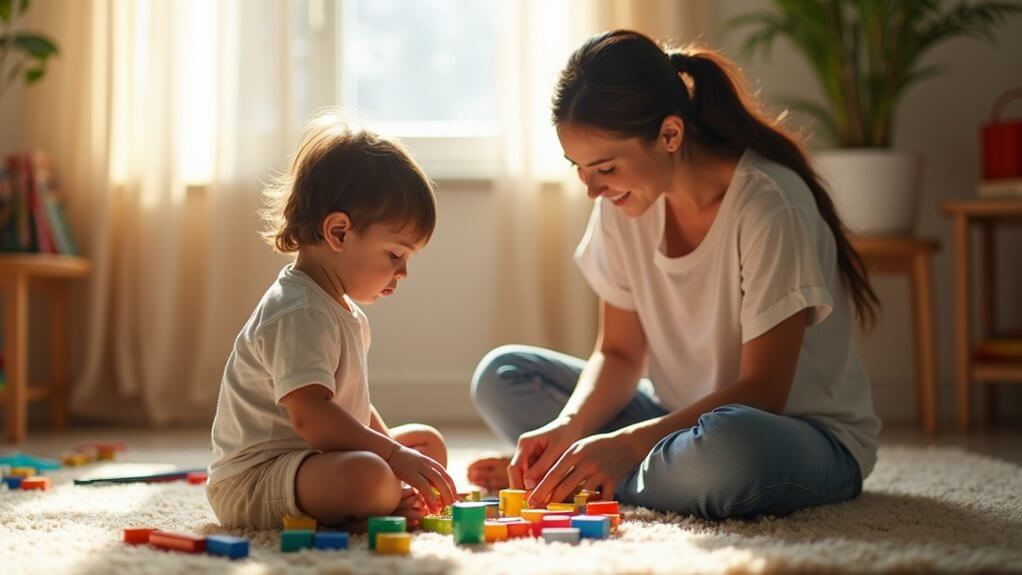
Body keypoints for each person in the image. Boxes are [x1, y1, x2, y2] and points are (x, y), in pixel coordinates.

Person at [468, 30, 881, 520]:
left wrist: (623, 444)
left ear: (670, 135)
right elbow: (619, 353)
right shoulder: (621, 203)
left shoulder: (770, 206)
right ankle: (598, 470)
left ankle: (593, 477)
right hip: (674, 419)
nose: (592, 189)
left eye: (605, 167)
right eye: (577, 167)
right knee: (502, 375)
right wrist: (570, 427)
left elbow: (765, 391)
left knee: (727, 453)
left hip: (793, 433)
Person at [207, 111, 456, 530]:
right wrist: (391, 457)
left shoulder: (341, 310)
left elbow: (351, 407)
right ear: (339, 232)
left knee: (426, 444)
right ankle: (378, 502)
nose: (403, 273)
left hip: (309, 463)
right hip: (258, 480)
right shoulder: (299, 310)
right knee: (371, 475)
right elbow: (312, 417)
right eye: (396, 255)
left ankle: (381, 499)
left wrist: (394, 445)